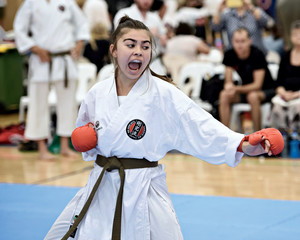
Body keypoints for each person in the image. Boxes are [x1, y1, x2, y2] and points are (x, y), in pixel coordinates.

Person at [44, 16, 283, 240]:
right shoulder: (97, 93)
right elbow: (85, 139)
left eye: (145, 46)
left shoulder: (162, 94)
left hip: (143, 188)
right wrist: (84, 140)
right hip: (102, 184)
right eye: (131, 44)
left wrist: (241, 144)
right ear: (114, 50)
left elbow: (199, 124)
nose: (139, 51)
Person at [13, 0, 90, 160]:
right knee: (38, 103)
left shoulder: (67, 2)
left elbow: (82, 23)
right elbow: (19, 28)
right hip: (41, 59)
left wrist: (79, 43)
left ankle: (65, 145)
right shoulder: (31, 3)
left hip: (64, 58)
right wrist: (34, 48)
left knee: (67, 104)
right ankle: (41, 147)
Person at [219, 27, 276, 132]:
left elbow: (257, 85)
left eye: (243, 41)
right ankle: (225, 134)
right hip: (244, 90)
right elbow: (228, 81)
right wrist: (229, 87)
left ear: (249, 41)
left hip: (265, 89)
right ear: (232, 42)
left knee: (253, 96)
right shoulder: (229, 54)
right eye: (237, 41)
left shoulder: (257, 54)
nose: (239, 45)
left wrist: (235, 88)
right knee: (224, 95)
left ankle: (257, 134)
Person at [271, 20, 300, 132]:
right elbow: (278, 81)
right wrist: (283, 93)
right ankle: (280, 139)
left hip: (298, 95)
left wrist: (295, 95)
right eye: (295, 34)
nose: (298, 37)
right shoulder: (285, 56)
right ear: (291, 37)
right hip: (286, 95)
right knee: (276, 107)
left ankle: (296, 140)